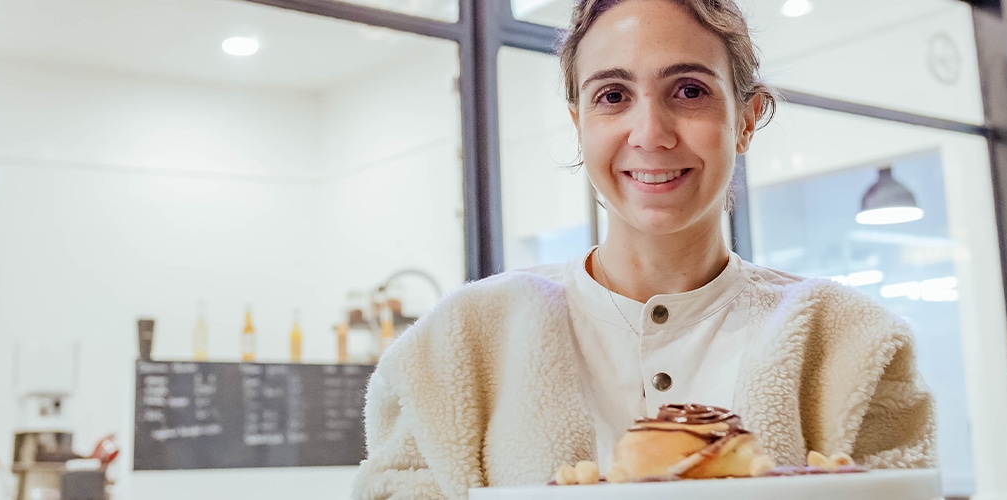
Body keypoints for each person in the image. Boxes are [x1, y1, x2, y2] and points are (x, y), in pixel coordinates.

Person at [352, 0, 935, 497]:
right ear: (579, 122)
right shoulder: (454, 347)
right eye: (612, 95)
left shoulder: (851, 342)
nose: (651, 132)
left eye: (689, 90)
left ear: (747, 120)